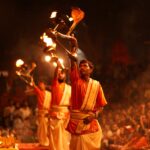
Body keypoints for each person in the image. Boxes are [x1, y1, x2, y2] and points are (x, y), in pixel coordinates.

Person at [66, 35, 107, 150]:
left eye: (85, 66)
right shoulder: (75, 80)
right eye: (80, 66)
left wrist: (94, 115)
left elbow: (101, 106)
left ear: (91, 69)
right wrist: (74, 45)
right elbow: (73, 60)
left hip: (90, 123)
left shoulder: (96, 85)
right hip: (76, 123)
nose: (82, 68)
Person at [48, 60, 71, 150]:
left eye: (63, 73)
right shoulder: (55, 84)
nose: (61, 75)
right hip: (55, 114)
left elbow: (71, 104)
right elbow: (55, 75)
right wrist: (57, 65)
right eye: (59, 73)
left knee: (64, 135)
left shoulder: (69, 88)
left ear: (65, 76)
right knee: (55, 135)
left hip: (65, 114)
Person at [31, 79, 51, 146]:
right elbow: (34, 86)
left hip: (48, 113)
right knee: (41, 128)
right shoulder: (39, 92)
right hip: (41, 113)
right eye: (40, 85)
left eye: (42, 84)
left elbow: (51, 104)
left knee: (47, 129)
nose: (41, 86)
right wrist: (32, 80)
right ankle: (42, 142)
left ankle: (47, 142)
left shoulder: (49, 94)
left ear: (44, 85)